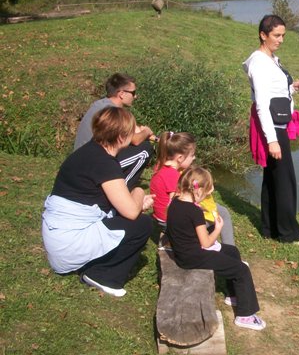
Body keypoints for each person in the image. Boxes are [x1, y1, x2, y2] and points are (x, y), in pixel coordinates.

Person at [42, 107, 154, 297]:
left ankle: (91, 263)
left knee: (127, 216)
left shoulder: (88, 151)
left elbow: (109, 202)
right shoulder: (105, 163)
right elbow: (131, 212)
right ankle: (102, 276)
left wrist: (135, 203)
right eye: (132, 131)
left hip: (59, 239)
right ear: (121, 137)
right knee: (142, 224)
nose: (136, 134)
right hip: (68, 245)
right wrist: (138, 192)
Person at [165, 166, 265, 331]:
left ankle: (233, 294)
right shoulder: (194, 211)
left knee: (232, 251)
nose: (208, 195)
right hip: (194, 257)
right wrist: (218, 228)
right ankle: (245, 315)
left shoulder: (175, 202)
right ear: (198, 191)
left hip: (184, 252)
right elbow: (206, 243)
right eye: (207, 193)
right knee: (242, 270)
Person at [243, 14, 299, 245]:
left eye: (283, 35)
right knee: (284, 179)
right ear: (263, 35)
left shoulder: (270, 59)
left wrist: (293, 88)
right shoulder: (259, 63)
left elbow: (274, 91)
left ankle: (270, 227)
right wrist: (272, 140)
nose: (281, 40)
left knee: (273, 177)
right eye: (276, 35)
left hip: (276, 123)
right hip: (272, 127)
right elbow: (262, 103)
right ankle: (288, 233)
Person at [149, 131, 236, 245]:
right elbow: (178, 205)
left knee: (214, 209)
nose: (194, 158)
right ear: (180, 158)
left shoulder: (161, 166)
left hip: (160, 218)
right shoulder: (173, 175)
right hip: (170, 222)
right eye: (192, 155)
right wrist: (204, 193)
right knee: (222, 213)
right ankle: (229, 248)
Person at [74, 73, 155, 190]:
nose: (135, 96)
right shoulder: (112, 111)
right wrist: (146, 131)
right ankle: (121, 190)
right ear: (121, 94)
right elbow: (135, 140)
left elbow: (128, 131)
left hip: (81, 159)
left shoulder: (101, 105)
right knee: (145, 148)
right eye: (133, 93)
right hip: (91, 165)